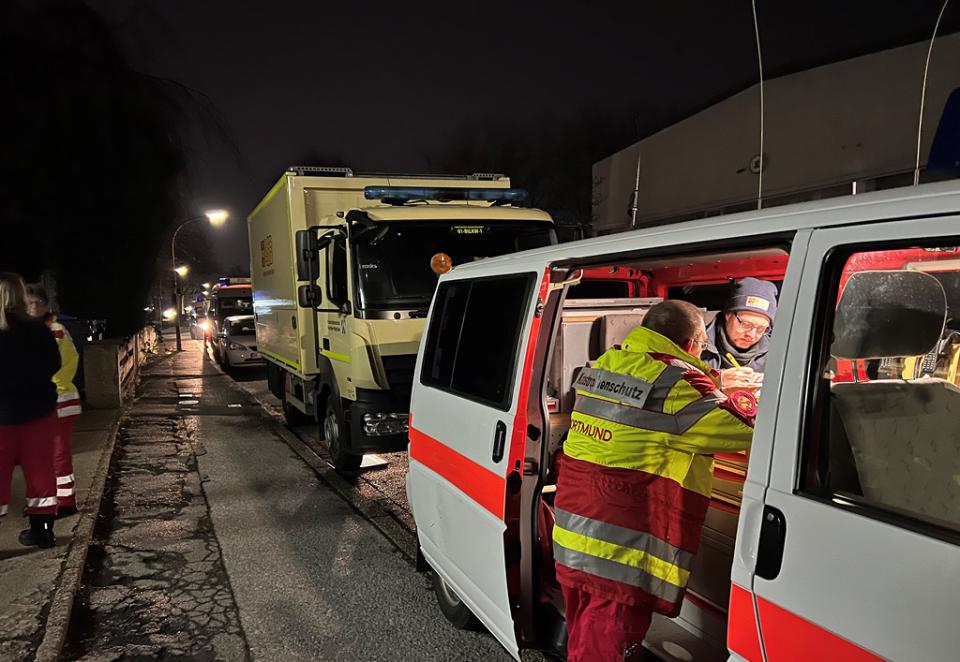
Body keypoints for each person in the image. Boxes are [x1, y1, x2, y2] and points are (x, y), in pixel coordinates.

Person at [553, 300, 756, 661]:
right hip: (620, 547)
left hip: (577, 530)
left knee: (584, 628)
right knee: (604, 645)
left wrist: (713, 381)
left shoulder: (609, 362)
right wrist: (737, 392)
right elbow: (746, 431)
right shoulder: (675, 382)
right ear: (692, 343)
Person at [0, 273, 61, 548]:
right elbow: (53, 364)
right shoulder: (38, 330)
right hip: (38, 412)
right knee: (40, 472)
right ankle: (43, 531)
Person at [26, 284, 81, 518]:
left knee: (56, 456)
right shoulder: (38, 330)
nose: (33, 307)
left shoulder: (54, 330)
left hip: (57, 400)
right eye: (29, 303)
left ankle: (63, 505)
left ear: (46, 305)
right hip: (50, 401)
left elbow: (53, 365)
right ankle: (57, 503)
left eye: (38, 302)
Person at [700, 277, 778, 390]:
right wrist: (716, 381)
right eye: (746, 324)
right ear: (728, 314)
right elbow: (675, 390)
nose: (751, 334)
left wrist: (769, 384)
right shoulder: (696, 345)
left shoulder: (776, 354)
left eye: (761, 328)